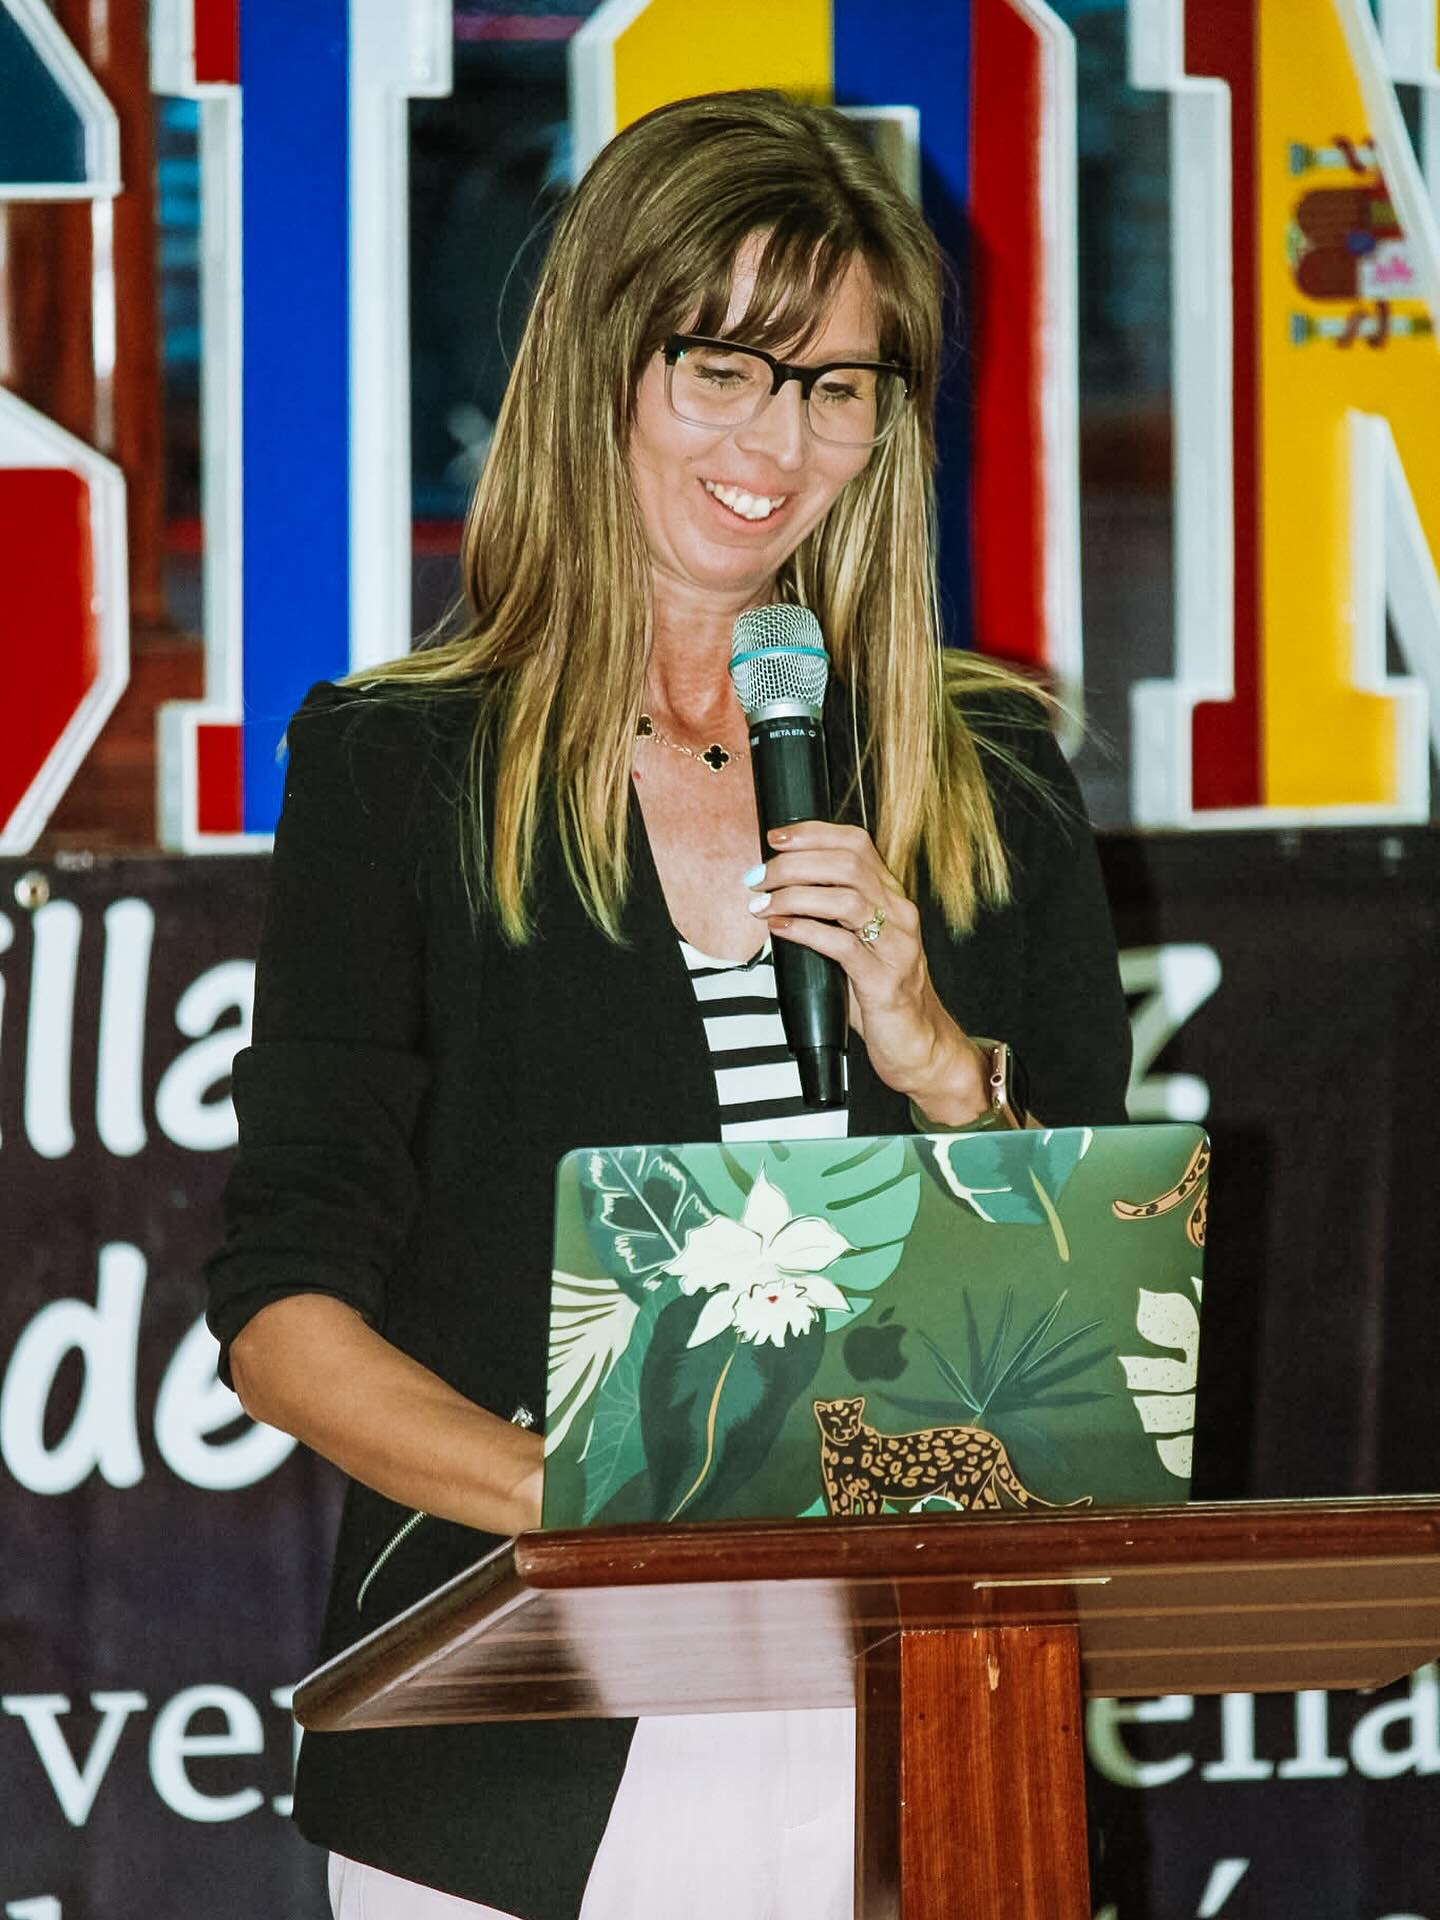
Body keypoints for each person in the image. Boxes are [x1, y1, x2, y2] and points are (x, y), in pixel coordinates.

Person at [206, 88, 1131, 1920]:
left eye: (838, 386)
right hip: (520, 1730)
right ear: (602, 365)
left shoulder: (988, 772)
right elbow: (282, 1311)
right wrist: (599, 1517)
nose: (779, 443)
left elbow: (1108, 1348)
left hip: (922, 1713)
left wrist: (946, 1073)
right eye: (726, 367)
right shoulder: (405, 770)